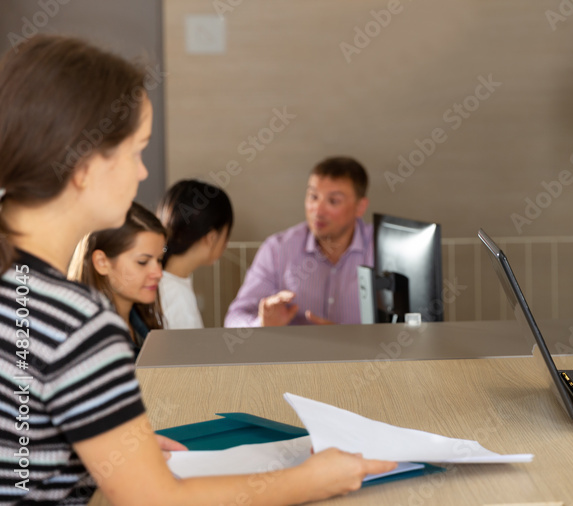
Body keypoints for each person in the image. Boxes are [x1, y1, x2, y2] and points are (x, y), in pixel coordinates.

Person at [0, 35, 394, 504]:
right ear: (85, 164)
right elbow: (157, 500)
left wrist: (99, 450)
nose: (143, 173)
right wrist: (311, 480)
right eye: (136, 151)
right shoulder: (78, 322)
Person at [224, 156, 373, 327]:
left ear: (360, 207)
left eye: (333, 201)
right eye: (313, 196)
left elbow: (404, 327)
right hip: (292, 353)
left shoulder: (382, 250)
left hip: (360, 353)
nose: (317, 209)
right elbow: (234, 319)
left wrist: (345, 338)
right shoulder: (277, 249)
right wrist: (262, 324)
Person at [68, 202, 167, 350]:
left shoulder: (141, 323)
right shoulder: (89, 339)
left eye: (159, 260)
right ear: (102, 262)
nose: (158, 273)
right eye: (143, 262)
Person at [156, 179, 234, 329]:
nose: (226, 244)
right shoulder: (177, 295)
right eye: (226, 234)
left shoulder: (165, 283)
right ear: (212, 238)